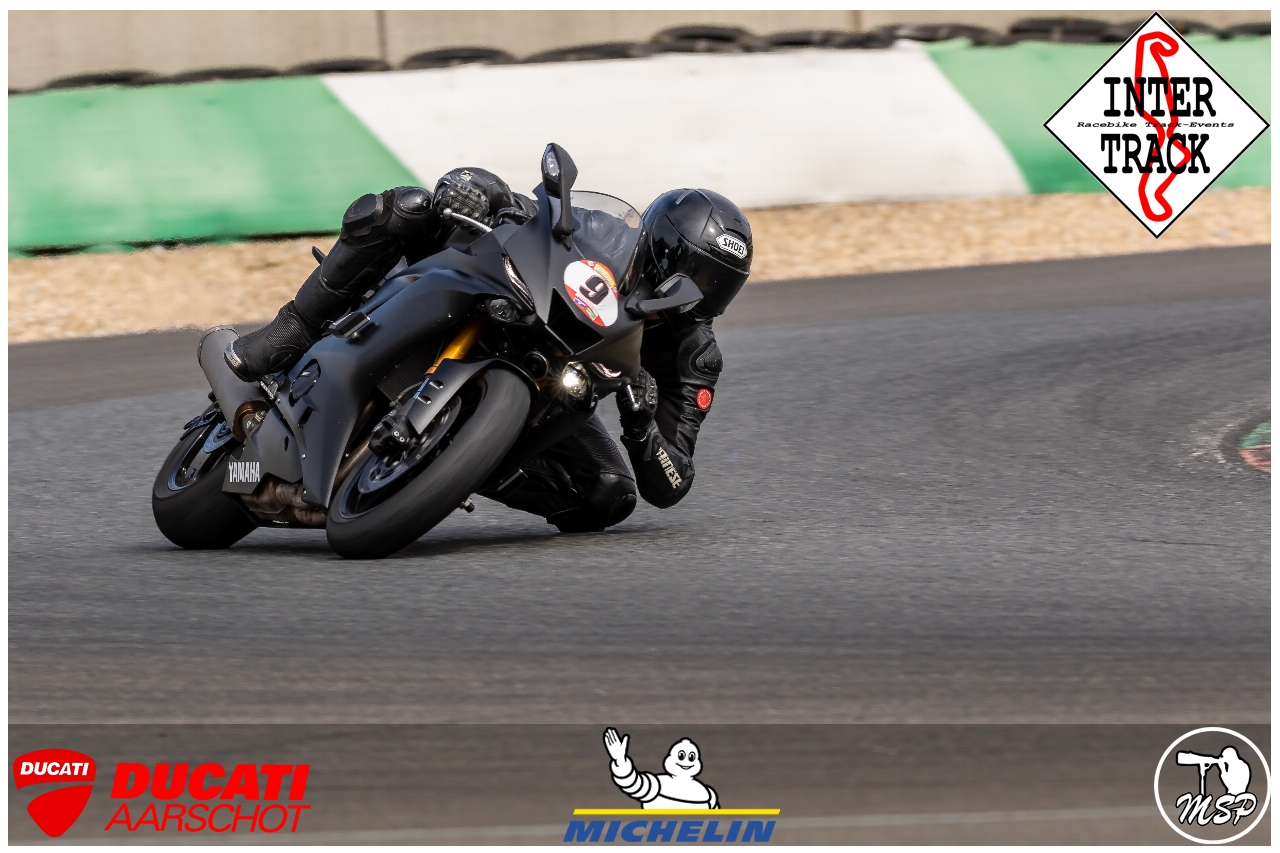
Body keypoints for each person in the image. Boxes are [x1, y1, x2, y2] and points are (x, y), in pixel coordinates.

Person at [224, 167, 753, 531]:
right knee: (408, 207)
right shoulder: (607, 233)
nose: (701, 295)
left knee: (608, 494)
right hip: (504, 306)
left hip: (554, 389)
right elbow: (531, 213)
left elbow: (673, 481)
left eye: (719, 287)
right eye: (696, 275)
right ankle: (292, 329)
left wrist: (640, 429)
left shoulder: (694, 355)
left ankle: (457, 466)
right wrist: (483, 190)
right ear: (661, 248)